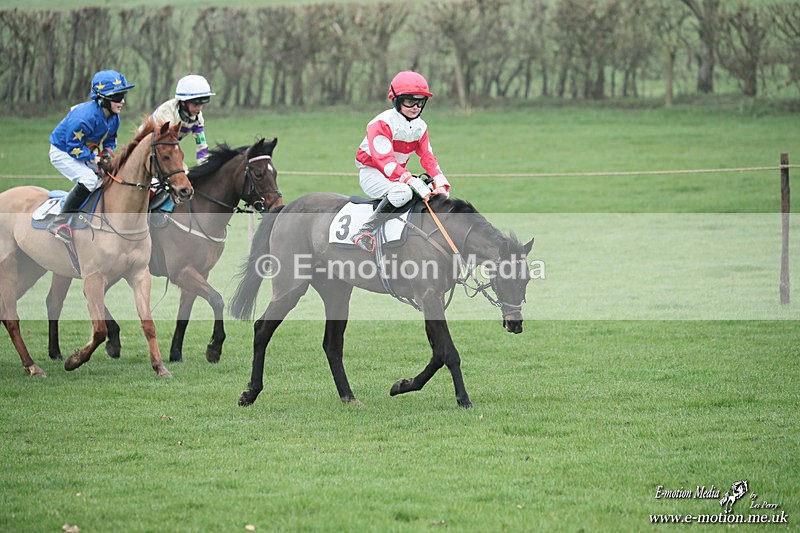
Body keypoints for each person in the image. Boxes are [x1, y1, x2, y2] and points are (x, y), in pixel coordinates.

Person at [351, 70, 451, 253]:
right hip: (373, 173)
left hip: (396, 176)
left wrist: (441, 182)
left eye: (420, 102)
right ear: (396, 99)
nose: (415, 107)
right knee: (404, 192)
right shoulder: (381, 122)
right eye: (409, 101)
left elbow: (428, 158)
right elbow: (385, 162)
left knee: (430, 193)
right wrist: (409, 179)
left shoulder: (421, 126)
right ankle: (365, 232)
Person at [48, 69, 134, 241]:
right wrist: (94, 159)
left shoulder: (114, 117)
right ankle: (59, 222)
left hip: (85, 150)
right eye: (117, 97)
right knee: (89, 180)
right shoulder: (84, 117)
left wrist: (107, 155)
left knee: (108, 177)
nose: (122, 101)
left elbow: (110, 141)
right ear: (103, 100)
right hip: (63, 151)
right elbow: (73, 146)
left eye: (123, 95)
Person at [140, 74, 214, 165]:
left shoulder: (198, 117)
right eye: (195, 105)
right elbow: (165, 146)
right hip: (145, 148)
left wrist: (205, 168)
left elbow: (202, 146)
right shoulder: (167, 113)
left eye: (202, 104)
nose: (199, 109)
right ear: (183, 103)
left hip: (165, 149)